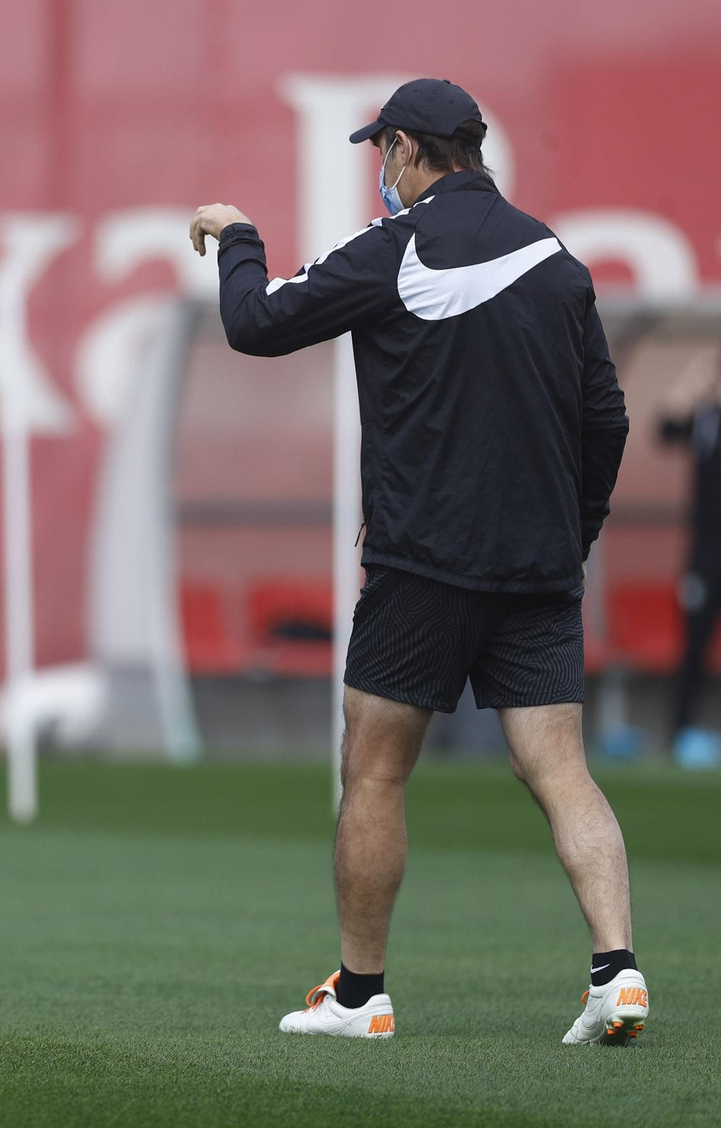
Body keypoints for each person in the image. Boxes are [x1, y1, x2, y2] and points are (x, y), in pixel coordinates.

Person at [190, 78, 643, 1044]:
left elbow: (255, 323)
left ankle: (361, 996)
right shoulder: (557, 259)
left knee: (377, 772)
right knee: (561, 770)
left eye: (378, 152)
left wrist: (238, 238)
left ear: (401, 149)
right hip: (538, 567)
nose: (377, 170)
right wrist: (578, 533)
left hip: (423, 565)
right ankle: (618, 971)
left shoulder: (393, 248)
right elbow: (606, 418)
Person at [656, 356, 721, 769]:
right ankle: (680, 734)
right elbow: (664, 430)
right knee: (693, 647)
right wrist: (689, 385)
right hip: (704, 555)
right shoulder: (705, 418)